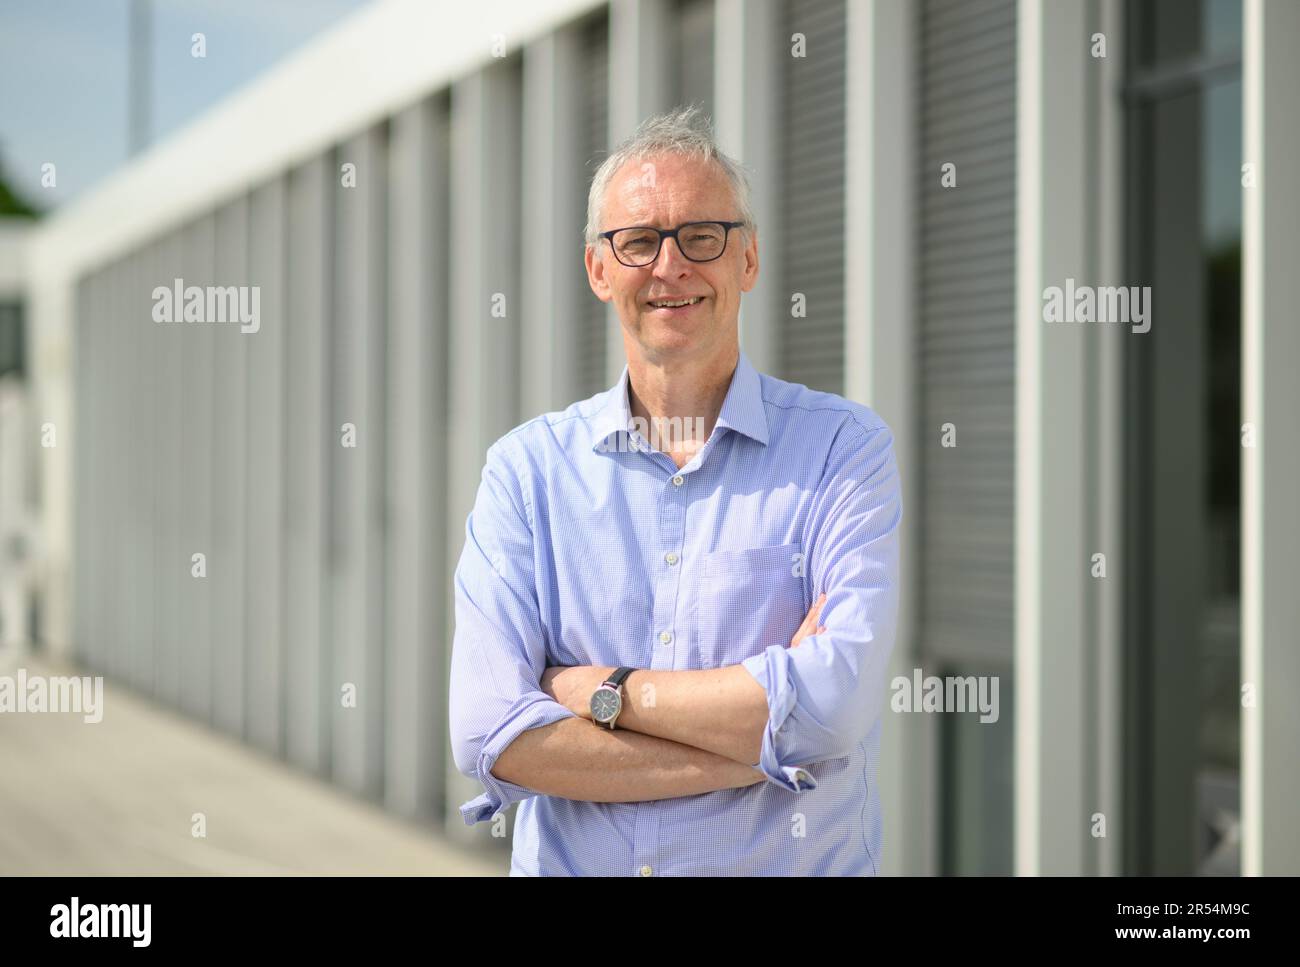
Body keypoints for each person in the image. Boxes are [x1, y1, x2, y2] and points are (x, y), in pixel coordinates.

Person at [449, 104, 901, 875]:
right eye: (638, 241)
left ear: (749, 259)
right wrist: (757, 741)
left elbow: (836, 702)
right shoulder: (525, 472)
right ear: (599, 269)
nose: (671, 266)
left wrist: (607, 694)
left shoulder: (840, 450)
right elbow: (490, 730)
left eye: (703, 235)